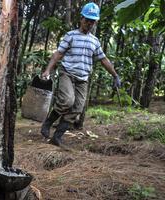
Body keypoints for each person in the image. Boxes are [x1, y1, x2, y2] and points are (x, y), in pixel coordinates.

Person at [40, 2, 121, 146]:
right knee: (67, 101)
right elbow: (58, 54)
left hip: (82, 79)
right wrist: (48, 70)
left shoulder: (94, 41)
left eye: (92, 21)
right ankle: (48, 122)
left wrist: (115, 75)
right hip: (68, 74)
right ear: (81, 19)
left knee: (77, 108)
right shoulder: (70, 36)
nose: (89, 23)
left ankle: (57, 137)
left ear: (95, 22)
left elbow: (103, 60)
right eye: (87, 20)